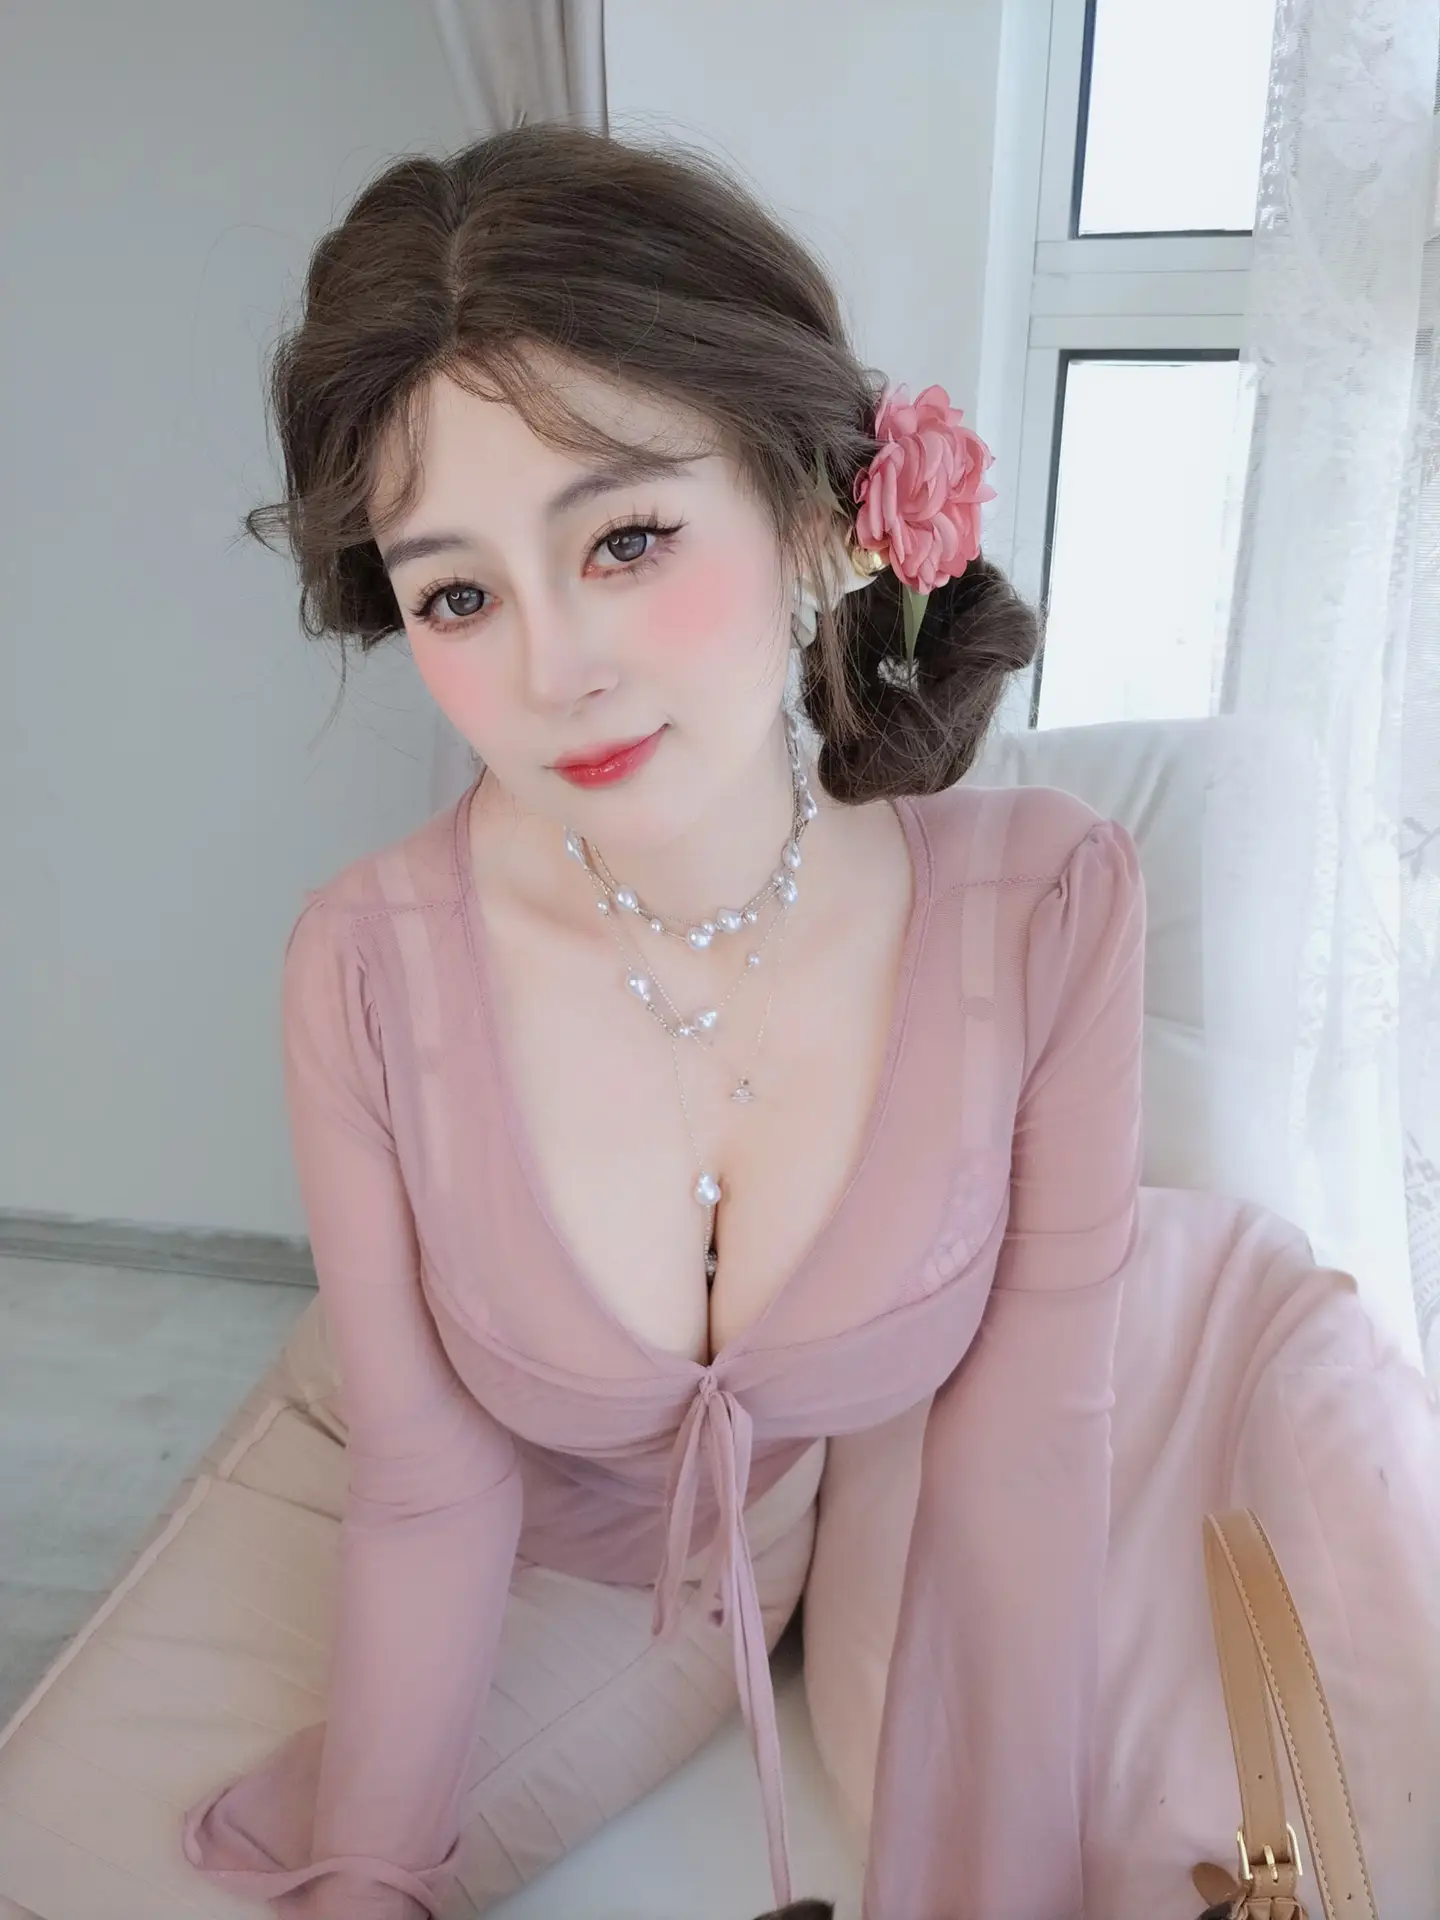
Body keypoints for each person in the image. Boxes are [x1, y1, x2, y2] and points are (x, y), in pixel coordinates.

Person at [14, 120, 1429, 1920]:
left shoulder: (1048, 908)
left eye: (624, 539)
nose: (551, 669)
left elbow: (1020, 1484)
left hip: (849, 1491)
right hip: (514, 1495)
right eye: (459, 593)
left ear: (813, 509)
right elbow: (431, 1495)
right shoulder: (364, 972)